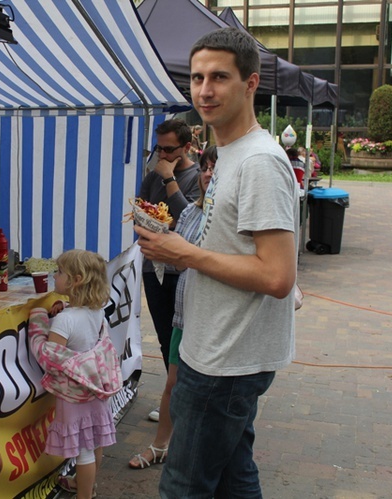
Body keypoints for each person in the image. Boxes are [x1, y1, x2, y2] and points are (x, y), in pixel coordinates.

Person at [135, 27, 298, 498]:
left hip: (227, 360)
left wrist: (182, 253)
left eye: (219, 77)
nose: (204, 90)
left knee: (183, 486)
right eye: (198, 77)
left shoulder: (259, 162)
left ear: (250, 83)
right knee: (233, 477)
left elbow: (277, 275)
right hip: (218, 349)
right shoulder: (230, 152)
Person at [128, 146, 217, 471]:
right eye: (206, 168)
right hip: (185, 314)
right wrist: (159, 250)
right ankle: (160, 446)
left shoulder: (228, 217)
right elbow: (183, 262)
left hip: (214, 321)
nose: (208, 174)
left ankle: (196, 455)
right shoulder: (192, 213)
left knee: (205, 392)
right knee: (172, 385)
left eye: (215, 169)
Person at [32, 249, 117, 499]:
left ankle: (84, 495)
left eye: (59, 272)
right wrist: (66, 306)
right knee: (95, 441)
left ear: (76, 280)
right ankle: (87, 486)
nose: (55, 276)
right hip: (96, 388)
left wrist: (37, 322)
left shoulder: (64, 321)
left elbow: (48, 357)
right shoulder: (96, 311)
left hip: (74, 396)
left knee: (83, 451)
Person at [138, 118, 201, 422]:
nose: (161, 156)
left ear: (187, 147)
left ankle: (184, 402)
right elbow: (143, 211)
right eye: (157, 149)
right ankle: (172, 400)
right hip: (154, 267)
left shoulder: (196, 176)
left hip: (182, 271)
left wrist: (168, 180)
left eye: (168, 149)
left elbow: (187, 222)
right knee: (165, 337)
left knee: (184, 339)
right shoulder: (153, 175)